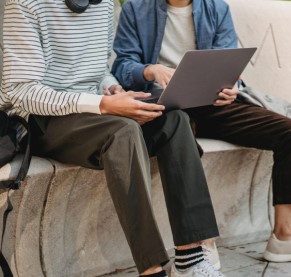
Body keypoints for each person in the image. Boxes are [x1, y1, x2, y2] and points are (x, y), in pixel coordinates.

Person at [112, 0, 291, 274]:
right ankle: (200, 241)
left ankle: (284, 236)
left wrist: (233, 86)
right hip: (167, 106)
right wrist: (150, 70)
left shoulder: (216, 8)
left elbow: (231, 65)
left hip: (211, 103)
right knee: (181, 133)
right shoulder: (136, 8)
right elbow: (123, 67)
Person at [1, 0, 224, 276]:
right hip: (40, 120)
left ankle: (191, 259)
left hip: (94, 110)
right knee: (124, 131)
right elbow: (21, 92)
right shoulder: (25, 4)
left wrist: (115, 90)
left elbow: (99, 71)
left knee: (174, 120)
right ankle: (152, 269)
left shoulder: (105, 4)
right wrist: (103, 106)